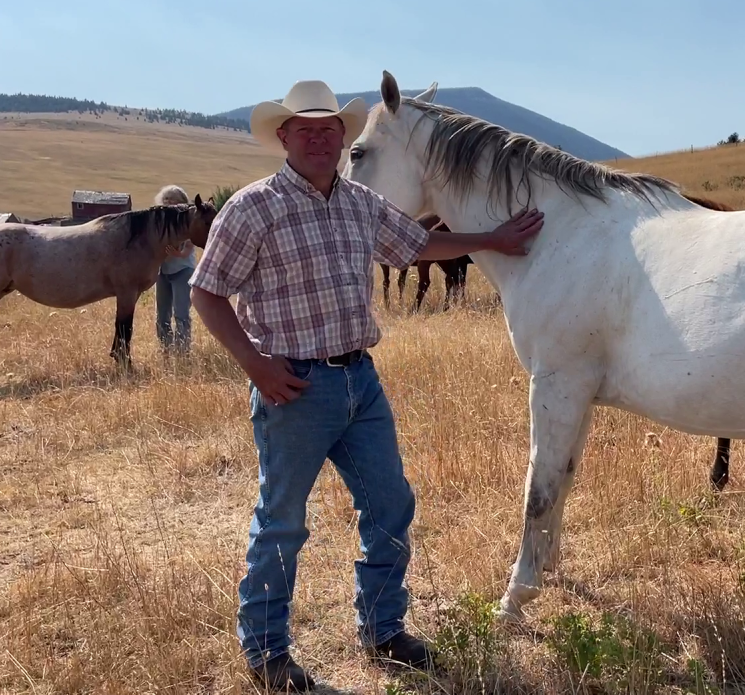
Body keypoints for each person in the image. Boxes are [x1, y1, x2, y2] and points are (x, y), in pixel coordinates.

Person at [189, 79, 543, 692]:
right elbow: (205, 290)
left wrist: (490, 239)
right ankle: (267, 653)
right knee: (282, 523)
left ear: (343, 139)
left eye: (331, 131)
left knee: (390, 506)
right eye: (307, 130)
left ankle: (382, 629)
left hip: (359, 380)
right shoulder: (252, 208)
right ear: (284, 137)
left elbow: (417, 243)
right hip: (291, 386)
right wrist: (253, 363)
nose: (321, 140)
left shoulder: (358, 202)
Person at [154, 185, 196, 354]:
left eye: (173, 200)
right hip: (163, 273)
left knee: (181, 313)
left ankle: (182, 351)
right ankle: (166, 348)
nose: (169, 203)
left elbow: (187, 251)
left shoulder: (189, 222)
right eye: (166, 199)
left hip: (182, 272)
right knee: (162, 315)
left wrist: (176, 253)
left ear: (182, 203)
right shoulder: (159, 223)